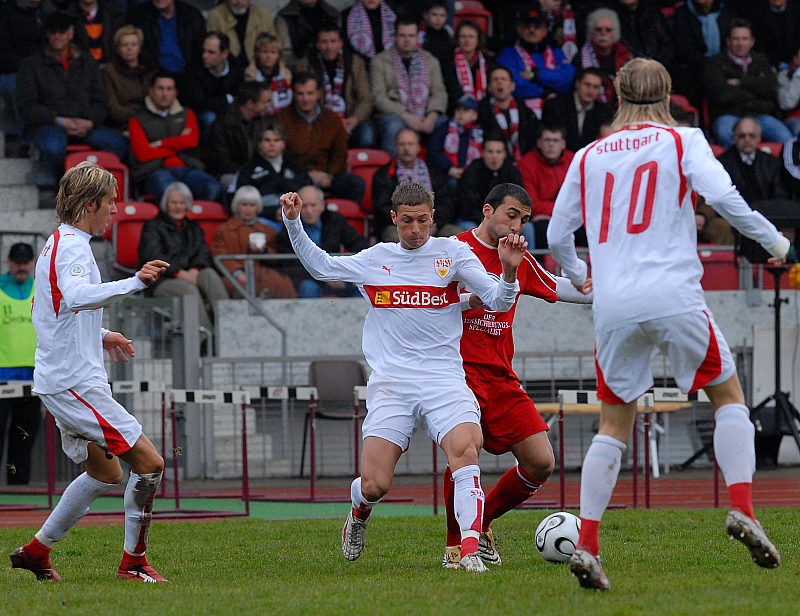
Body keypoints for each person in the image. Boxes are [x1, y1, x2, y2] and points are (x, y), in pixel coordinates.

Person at [546, 57, 787, 591]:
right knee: (729, 397)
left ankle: (588, 543)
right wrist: (777, 243)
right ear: (668, 92)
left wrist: (587, 276)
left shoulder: (586, 156)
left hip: (612, 306)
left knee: (613, 424)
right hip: (673, 294)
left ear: (617, 94)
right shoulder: (684, 141)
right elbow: (724, 199)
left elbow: (558, 237)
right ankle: (743, 507)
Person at [278, 181, 528, 573]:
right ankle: (359, 511)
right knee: (375, 483)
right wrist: (294, 223)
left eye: (423, 221)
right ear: (394, 219)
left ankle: (467, 551)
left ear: (433, 218)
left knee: (465, 452)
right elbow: (321, 266)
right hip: (392, 382)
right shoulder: (376, 259)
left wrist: (509, 272)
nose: (415, 230)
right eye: (407, 222)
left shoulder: (453, 253)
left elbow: (497, 301)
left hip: (444, 378)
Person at [10, 161, 169, 582]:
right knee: (150, 464)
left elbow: (46, 309)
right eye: (111, 202)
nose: (115, 209)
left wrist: (101, 335)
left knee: (106, 472)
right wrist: (134, 281)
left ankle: (36, 551)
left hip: (64, 378)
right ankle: (133, 564)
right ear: (90, 203)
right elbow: (78, 296)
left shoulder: (57, 243)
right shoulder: (74, 247)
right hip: (73, 383)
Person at [442, 182, 592, 568]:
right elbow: (424, 302)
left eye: (524, 220)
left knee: (541, 461)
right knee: (465, 453)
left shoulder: (519, 258)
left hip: (501, 377)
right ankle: (456, 544)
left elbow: (557, 286)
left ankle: (483, 520)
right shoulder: (451, 251)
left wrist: (611, 291)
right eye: (512, 215)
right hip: (456, 374)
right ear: (487, 210)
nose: (517, 226)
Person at [17, 10, 127, 185]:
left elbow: (100, 101)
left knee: (118, 144)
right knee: (53, 146)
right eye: (53, 32)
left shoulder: (87, 62)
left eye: (62, 31)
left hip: (84, 124)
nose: (57, 36)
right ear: (48, 34)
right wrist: (60, 121)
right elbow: (27, 107)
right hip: (50, 124)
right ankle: (62, 187)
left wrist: (90, 122)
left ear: (71, 34)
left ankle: (93, 185)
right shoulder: (31, 65)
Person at [138, 181, 229, 334]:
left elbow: (203, 253)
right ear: (166, 204)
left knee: (210, 275)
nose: (178, 207)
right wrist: (179, 273)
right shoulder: (152, 226)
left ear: (187, 205)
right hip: (161, 280)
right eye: (174, 202)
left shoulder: (193, 227)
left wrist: (196, 269)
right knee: (189, 290)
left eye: (182, 203)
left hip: (189, 274)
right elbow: (153, 256)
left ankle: (229, 331)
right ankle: (204, 339)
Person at [128, 71, 221, 202]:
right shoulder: (137, 120)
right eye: (160, 88)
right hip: (154, 172)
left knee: (213, 187)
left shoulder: (187, 114)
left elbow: (191, 141)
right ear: (151, 91)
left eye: (169, 89)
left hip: (186, 168)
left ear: (175, 93)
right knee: (173, 195)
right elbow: (143, 153)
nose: (165, 94)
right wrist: (178, 145)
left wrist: (159, 144)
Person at [276, 72, 365, 204]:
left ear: (318, 93)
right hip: (296, 177)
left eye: (310, 93)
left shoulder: (332, 119)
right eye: (300, 94)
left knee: (356, 183)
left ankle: (335, 217)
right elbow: (279, 156)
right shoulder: (281, 119)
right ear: (294, 94)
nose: (305, 99)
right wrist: (307, 176)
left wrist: (328, 175)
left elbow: (340, 154)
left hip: (326, 176)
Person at [705, 19, 793, 149]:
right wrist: (756, 86)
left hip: (761, 115)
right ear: (728, 41)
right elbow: (721, 95)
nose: (740, 43)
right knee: (724, 134)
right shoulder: (716, 63)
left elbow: (770, 89)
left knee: (787, 139)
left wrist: (740, 82)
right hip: (729, 115)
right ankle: (738, 168)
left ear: (752, 42)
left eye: (744, 39)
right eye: (736, 39)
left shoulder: (761, 61)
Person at [370, 17, 448, 155]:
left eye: (411, 36)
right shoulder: (379, 61)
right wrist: (407, 116)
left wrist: (432, 116)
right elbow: (379, 98)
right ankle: (391, 173)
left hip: (425, 113)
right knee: (394, 126)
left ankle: (437, 171)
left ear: (418, 37)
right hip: (394, 114)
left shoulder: (430, 60)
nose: (407, 40)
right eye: (402, 35)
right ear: (395, 36)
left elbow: (439, 93)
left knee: (445, 124)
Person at [276, 185, 367, 297]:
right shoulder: (289, 228)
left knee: (363, 287)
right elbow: (289, 265)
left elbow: (359, 245)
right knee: (308, 288)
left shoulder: (335, 220)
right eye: (304, 206)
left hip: (339, 274)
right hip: (309, 279)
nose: (309, 211)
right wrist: (325, 279)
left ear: (322, 206)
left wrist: (351, 273)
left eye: (313, 205)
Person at [294, 21, 375, 147]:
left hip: (350, 120)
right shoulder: (305, 64)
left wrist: (353, 120)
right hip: (318, 121)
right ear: (317, 45)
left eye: (333, 41)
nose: (329, 47)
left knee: (367, 136)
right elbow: (303, 101)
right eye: (324, 42)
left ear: (341, 43)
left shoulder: (355, 62)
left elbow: (366, 98)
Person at [0, 243, 41, 485]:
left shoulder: (40, 291)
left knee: (24, 437)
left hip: (32, 376)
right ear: (9, 261)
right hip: (2, 375)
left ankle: (19, 490)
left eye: (26, 261)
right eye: (17, 261)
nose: (21, 266)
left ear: (33, 262)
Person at [372, 127, 457, 241]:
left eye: (410, 144)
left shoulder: (433, 171)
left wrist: (433, 224)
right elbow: (383, 207)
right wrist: (409, 224)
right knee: (392, 236)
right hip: (398, 226)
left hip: (432, 225)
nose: (406, 148)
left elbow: (446, 203)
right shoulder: (383, 174)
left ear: (418, 147)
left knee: (455, 234)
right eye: (402, 144)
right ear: (396, 147)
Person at [211, 185, 296, 298]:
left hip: (262, 275)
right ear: (237, 206)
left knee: (284, 285)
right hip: (233, 276)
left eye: (252, 205)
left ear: (257, 207)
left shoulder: (268, 231)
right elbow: (219, 254)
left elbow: (277, 257)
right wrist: (237, 272)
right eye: (244, 205)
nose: (248, 209)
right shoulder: (223, 230)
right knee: (243, 286)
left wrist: (264, 251)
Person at [226, 119, 313, 228]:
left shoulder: (297, 169)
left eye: (276, 140)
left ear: (283, 143)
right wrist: (271, 213)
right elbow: (235, 203)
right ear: (259, 143)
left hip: (297, 221)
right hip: (261, 222)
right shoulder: (247, 171)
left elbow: (313, 197)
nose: (272, 144)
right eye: (267, 140)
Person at [497, 8, 574, 118]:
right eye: (527, 26)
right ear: (519, 29)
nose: (532, 30)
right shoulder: (507, 54)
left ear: (545, 31)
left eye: (537, 26)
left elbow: (568, 79)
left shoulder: (557, 53)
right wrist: (546, 90)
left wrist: (535, 75)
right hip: (523, 113)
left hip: (557, 112)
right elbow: (513, 85)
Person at [180, 31, 245, 145]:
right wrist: (227, 99)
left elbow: (241, 96)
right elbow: (199, 103)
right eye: (204, 50)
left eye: (211, 52)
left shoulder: (237, 68)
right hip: (201, 116)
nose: (205, 56)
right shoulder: (194, 69)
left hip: (229, 111)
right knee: (209, 118)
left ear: (224, 54)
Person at [517, 123, 574, 251]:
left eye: (555, 140)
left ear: (563, 144)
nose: (551, 144)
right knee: (544, 228)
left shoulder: (574, 160)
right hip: (542, 221)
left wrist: (556, 213)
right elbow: (531, 205)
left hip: (569, 218)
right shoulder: (527, 164)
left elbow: (582, 200)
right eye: (547, 140)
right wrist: (564, 212)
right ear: (539, 143)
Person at [207, 80, 270, 188]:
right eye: (264, 102)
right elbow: (221, 162)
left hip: (258, 171)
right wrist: (248, 171)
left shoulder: (263, 121)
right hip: (231, 174)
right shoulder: (223, 124)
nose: (268, 106)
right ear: (250, 104)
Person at [456, 133, 523, 230]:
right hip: (476, 220)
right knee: (468, 227)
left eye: (498, 152)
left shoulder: (512, 172)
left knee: (527, 228)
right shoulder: (472, 172)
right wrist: (491, 221)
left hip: (506, 221)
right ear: (482, 152)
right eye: (490, 152)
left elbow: (519, 203)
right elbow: (468, 208)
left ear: (505, 154)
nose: (494, 156)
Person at [542, 67, 614, 153]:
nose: (591, 91)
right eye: (587, 85)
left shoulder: (604, 111)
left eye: (596, 87)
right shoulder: (555, 106)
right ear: (577, 84)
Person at [101, 25, 157, 132]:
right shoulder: (109, 71)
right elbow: (114, 109)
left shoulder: (150, 70)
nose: (129, 48)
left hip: (151, 122)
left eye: (133, 44)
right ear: (118, 49)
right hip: (123, 125)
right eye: (124, 45)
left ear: (139, 48)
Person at [477, 65, 538, 160]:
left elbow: (533, 140)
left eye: (503, 79)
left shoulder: (526, 112)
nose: (499, 82)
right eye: (495, 79)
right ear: (489, 87)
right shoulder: (481, 112)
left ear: (512, 86)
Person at [573, 8, 633, 104]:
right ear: (591, 32)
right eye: (598, 29)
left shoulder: (627, 56)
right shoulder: (580, 59)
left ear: (615, 33)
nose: (603, 33)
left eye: (608, 30)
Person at [426, 94, 483, 194]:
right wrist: (448, 168)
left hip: (472, 174)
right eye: (458, 110)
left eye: (466, 110)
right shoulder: (445, 128)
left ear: (475, 115)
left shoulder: (479, 133)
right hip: (448, 173)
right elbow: (434, 150)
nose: (461, 113)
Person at [129, 0, 205, 74]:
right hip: (152, 74)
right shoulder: (139, 15)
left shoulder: (191, 15)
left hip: (187, 74)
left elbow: (199, 50)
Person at [442, 19, 496, 114]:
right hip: (457, 112)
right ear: (457, 39)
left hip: (484, 111)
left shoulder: (488, 62)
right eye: (463, 36)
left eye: (471, 37)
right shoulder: (448, 62)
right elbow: (451, 93)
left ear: (478, 40)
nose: (467, 41)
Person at [205, 0, 276, 65]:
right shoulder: (216, 16)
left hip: (259, 69)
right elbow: (212, 52)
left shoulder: (263, 16)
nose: (238, 1)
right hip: (227, 70)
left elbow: (274, 47)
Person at [274, 0, 340, 69]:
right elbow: (286, 55)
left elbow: (340, 50)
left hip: (333, 69)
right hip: (299, 71)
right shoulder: (284, 18)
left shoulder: (333, 15)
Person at [243, 32, 293, 115]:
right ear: (258, 53)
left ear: (278, 55)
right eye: (265, 52)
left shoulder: (286, 74)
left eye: (273, 52)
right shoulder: (250, 74)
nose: (269, 56)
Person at [419, 0, 454, 71]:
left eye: (442, 15)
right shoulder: (421, 34)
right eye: (434, 14)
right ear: (426, 16)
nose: (438, 19)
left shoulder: (449, 31)